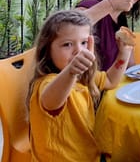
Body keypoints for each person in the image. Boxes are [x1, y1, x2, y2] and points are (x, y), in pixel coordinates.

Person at [27, 9, 133, 161]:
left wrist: (124, 53)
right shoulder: (47, 82)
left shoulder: (83, 77)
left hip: (89, 155)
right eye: (67, 44)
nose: (78, 50)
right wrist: (71, 71)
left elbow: (110, 80)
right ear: (47, 49)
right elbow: (51, 101)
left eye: (84, 43)